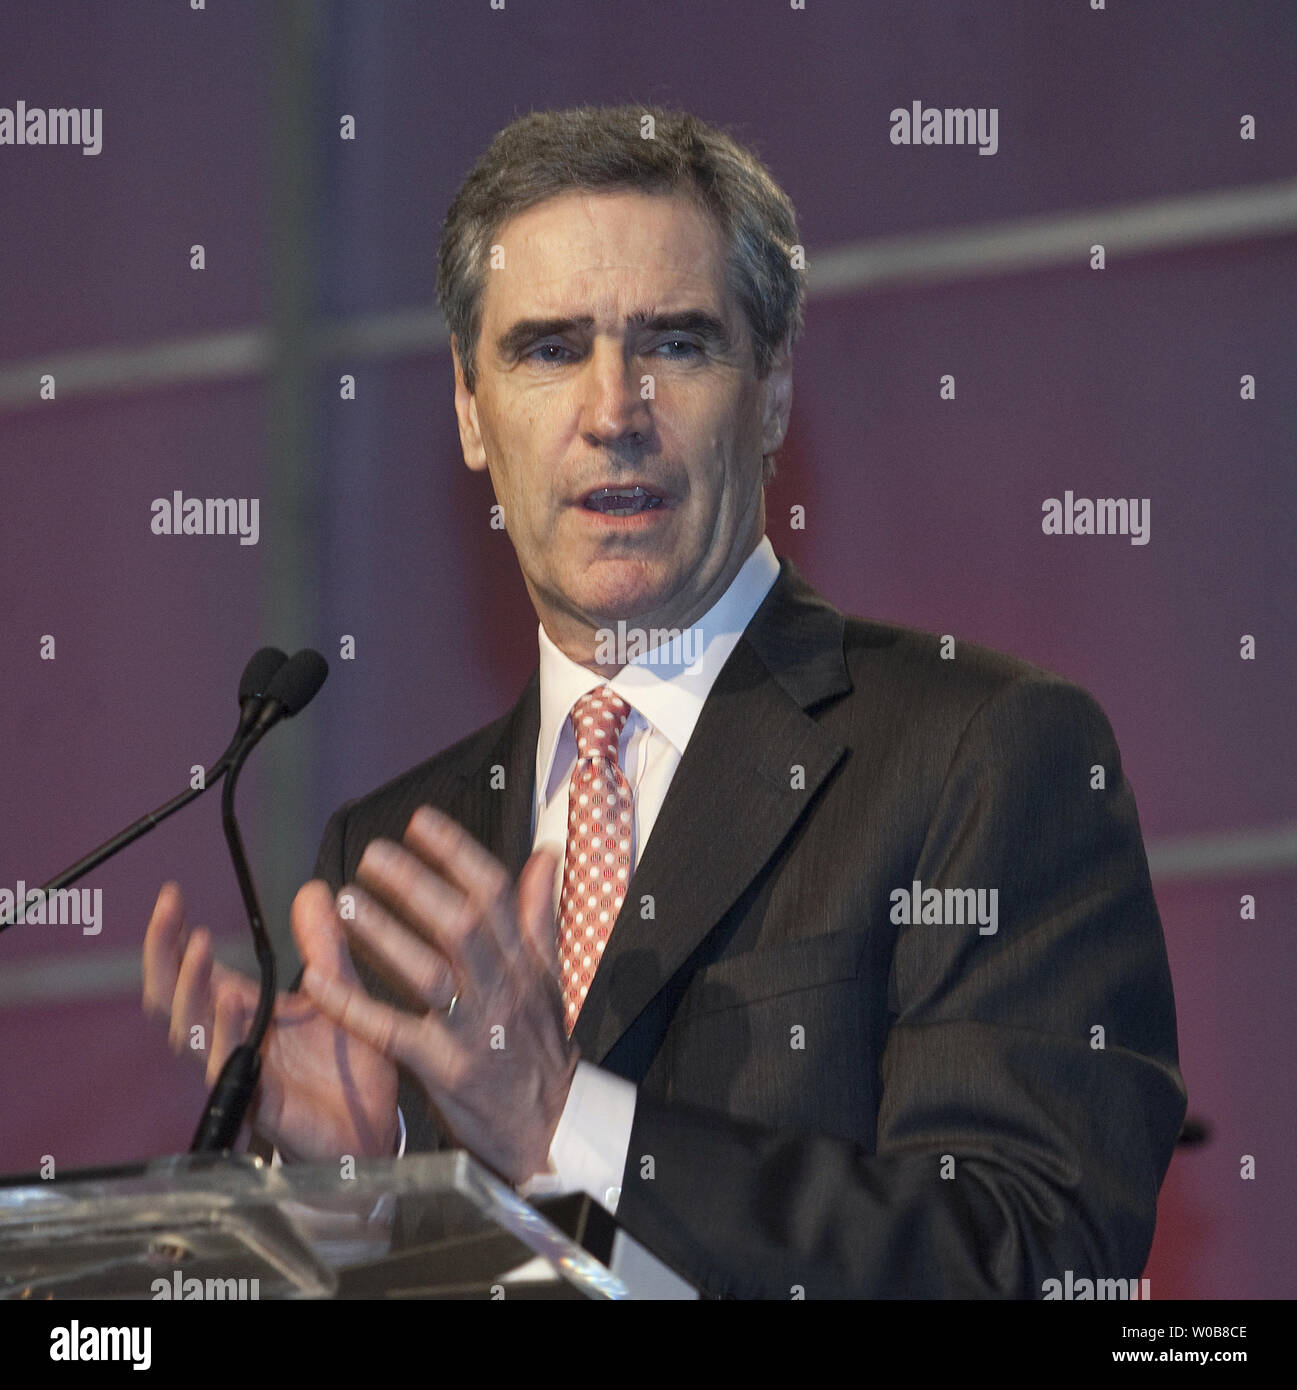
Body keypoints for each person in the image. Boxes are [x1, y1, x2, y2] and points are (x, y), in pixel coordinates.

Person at [142, 104, 1186, 1299]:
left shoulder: (981, 752)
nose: (612, 410)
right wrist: (358, 1199)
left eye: (676, 344)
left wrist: (562, 1126)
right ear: (470, 411)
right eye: (546, 349)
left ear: (775, 391)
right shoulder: (386, 853)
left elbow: (1032, 1257)